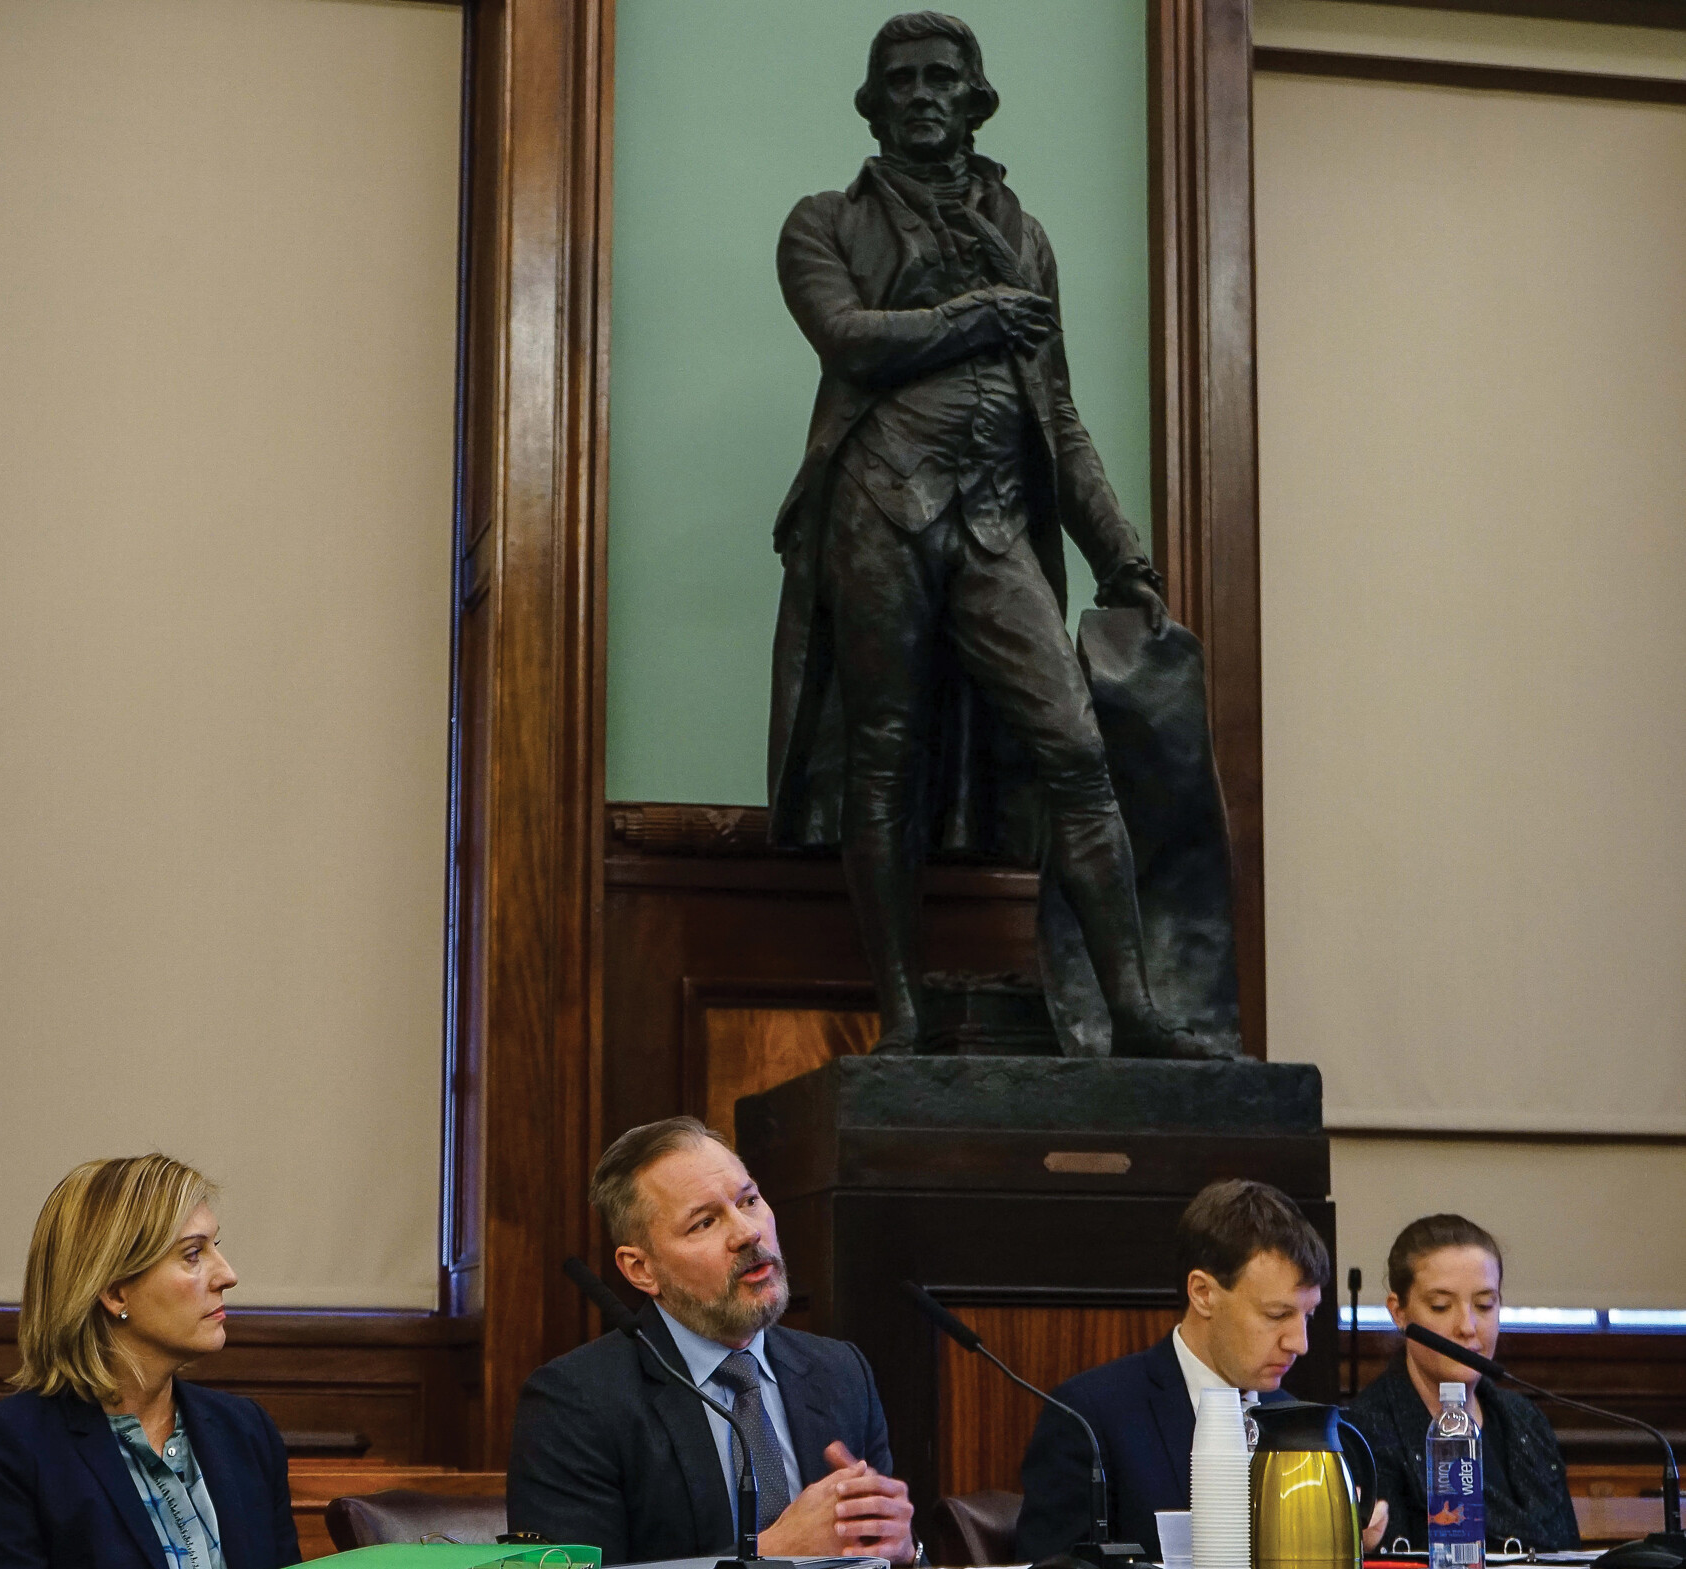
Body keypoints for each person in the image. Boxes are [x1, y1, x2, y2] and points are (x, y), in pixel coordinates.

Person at [767, 10, 1227, 1061]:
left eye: (942, 78)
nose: (922, 93)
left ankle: (1136, 1011)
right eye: (901, 80)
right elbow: (848, 339)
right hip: (879, 505)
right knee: (883, 758)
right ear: (873, 105)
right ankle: (904, 1016)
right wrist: (977, 315)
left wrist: (1121, 551)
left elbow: (1055, 413)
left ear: (975, 101)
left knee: (1074, 747)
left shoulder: (1024, 238)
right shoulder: (823, 221)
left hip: (993, 520)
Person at [508, 1117, 918, 1564]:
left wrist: (901, 1553)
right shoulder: (574, 1403)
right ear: (641, 1270)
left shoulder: (840, 1372)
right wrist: (771, 1556)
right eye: (704, 1223)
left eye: (750, 1200)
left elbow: (887, 1553)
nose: (747, 1232)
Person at [0, 1154, 300, 1569]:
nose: (227, 1275)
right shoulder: (8, 1448)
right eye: (192, 1254)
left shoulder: (246, 1431)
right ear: (116, 1292)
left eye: (215, 1248)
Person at [1016, 1179, 1383, 1563]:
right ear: (1203, 1294)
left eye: (1308, 1315)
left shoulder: (1296, 1422)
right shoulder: (1090, 1416)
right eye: (1277, 1315)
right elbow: (1051, 1562)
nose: (1300, 1343)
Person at [1348, 1215, 1579, 1553]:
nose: (1468, 1327)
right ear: (1398, 1312)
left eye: (1485, 1304)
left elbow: (1570, 1554)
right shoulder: (1363, 1431)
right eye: (1440, 1306)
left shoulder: (1526, 1419)